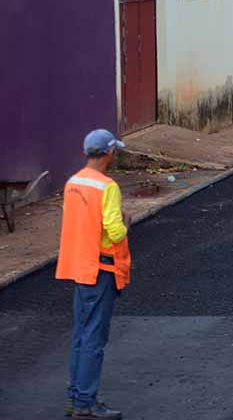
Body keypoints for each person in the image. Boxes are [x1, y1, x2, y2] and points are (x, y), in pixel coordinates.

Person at [57, 129, 131, 420]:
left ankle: (75, 398)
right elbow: (113, 230)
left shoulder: (73, 182)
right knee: (93, 339)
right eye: (115, 151)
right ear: (109, 153)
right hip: (101, 270)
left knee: (80, 335)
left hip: (80, 266)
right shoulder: (107, 186)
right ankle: (86, 404)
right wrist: (126, 224)